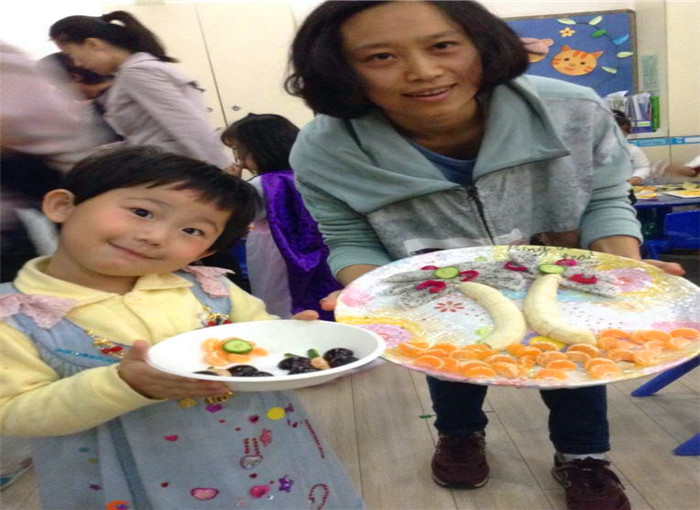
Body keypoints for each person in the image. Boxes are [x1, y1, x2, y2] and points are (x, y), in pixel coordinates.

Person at [285, 2, 685, 510]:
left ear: (480, 44)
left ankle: (584, 456)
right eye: (380, 56)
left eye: (443, 45)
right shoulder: (325, 149)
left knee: (576, 365)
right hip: (435, 294)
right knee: (448, 366)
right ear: (340, 69)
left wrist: (626, 268)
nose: (423, 71)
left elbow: (604, 198)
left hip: (560, 284)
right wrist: (369, 293)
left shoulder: (573, 111)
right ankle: (459, 435)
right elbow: (347, 235)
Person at [0, 147, 363, 510]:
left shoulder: (209, 287)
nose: (157, 236)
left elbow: (260, 335)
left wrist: (292, 338)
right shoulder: (17, 315)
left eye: (192, 230)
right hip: (125, 475)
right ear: (62, 205)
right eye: (142, 212)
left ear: (205, 251)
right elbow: (12, 412)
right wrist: (122, 385)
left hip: (256, 446)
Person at [49, 11, 230, 168]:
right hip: (166, 166)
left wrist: (220, 170)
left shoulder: (137, 72)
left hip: (174, 168)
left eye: (71, 54)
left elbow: (187, 124)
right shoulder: (134, 72)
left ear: (92, 44)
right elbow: (148, 136)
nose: (78, 64)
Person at [220, 114, 341, 319]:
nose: (239, 160)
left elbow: (235, 215)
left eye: (240, 150)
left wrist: (230, 185)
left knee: (275, 296)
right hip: (318, 247)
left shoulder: (262, 184)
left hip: (274, 251)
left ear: (260, 149)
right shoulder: (311, 175)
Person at [612, 109, 654, 186]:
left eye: (622, 134)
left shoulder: (632, 150)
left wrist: (638, 176)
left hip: (626, 187)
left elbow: (643, 167)